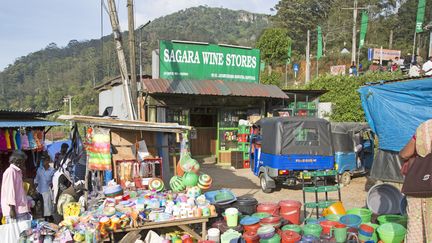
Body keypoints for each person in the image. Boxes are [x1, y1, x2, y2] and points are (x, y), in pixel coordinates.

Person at [399, 119, 432, 242]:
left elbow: (405, 153)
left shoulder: (425, 127)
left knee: (415, 230)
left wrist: (404, 156)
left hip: (419, 188)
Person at [1, 151, 31, 223]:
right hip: (15, 210)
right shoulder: (11, 171)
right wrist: (12, 208)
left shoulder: (17, 172)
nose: (24, 164)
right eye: (23, 162)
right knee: (16, 233)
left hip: (20, 209)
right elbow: (10, 191)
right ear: (18, 161)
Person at [35, 152, 55, 221]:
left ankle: (49, 219)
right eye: (43, 160)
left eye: (46, 160)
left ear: (49, 161)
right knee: (42, 207)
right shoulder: (39, 170)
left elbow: (54, 182)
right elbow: (36, 179)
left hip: (47, 191)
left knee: (48, 207)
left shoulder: (52, 170)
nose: (44, 162)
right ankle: (46, 219)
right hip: (40, 191)